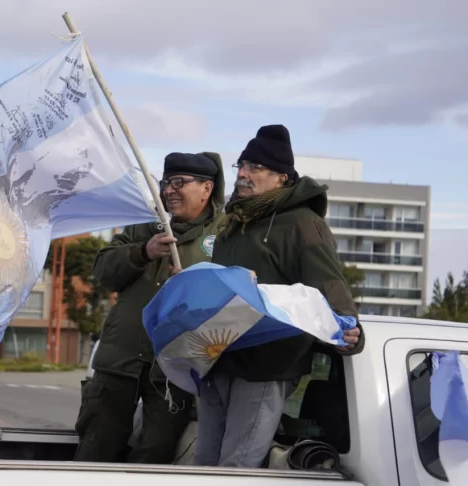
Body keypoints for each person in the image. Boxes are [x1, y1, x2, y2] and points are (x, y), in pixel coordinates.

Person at [195, 124, 365, 468]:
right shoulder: (234, 223)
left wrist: (348, 330)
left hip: (268, 365)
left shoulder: (303, 223)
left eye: (254, 167)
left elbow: (327, 282)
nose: (243, 174)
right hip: (221, 358)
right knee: (206, 466)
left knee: (237, 469)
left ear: (282, 178)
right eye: (241, 165)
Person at [74, 151, 226, 464]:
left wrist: (198, 288)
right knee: (95, 450)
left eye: (179, 183)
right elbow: (103, 272)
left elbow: (236, 300)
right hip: (120, 361)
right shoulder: (144, 226)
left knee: (154, 458)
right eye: (166, 182)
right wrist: (142, 252)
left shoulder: (225, 236)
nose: (169, 190)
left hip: (174, 372)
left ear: (206, 189)